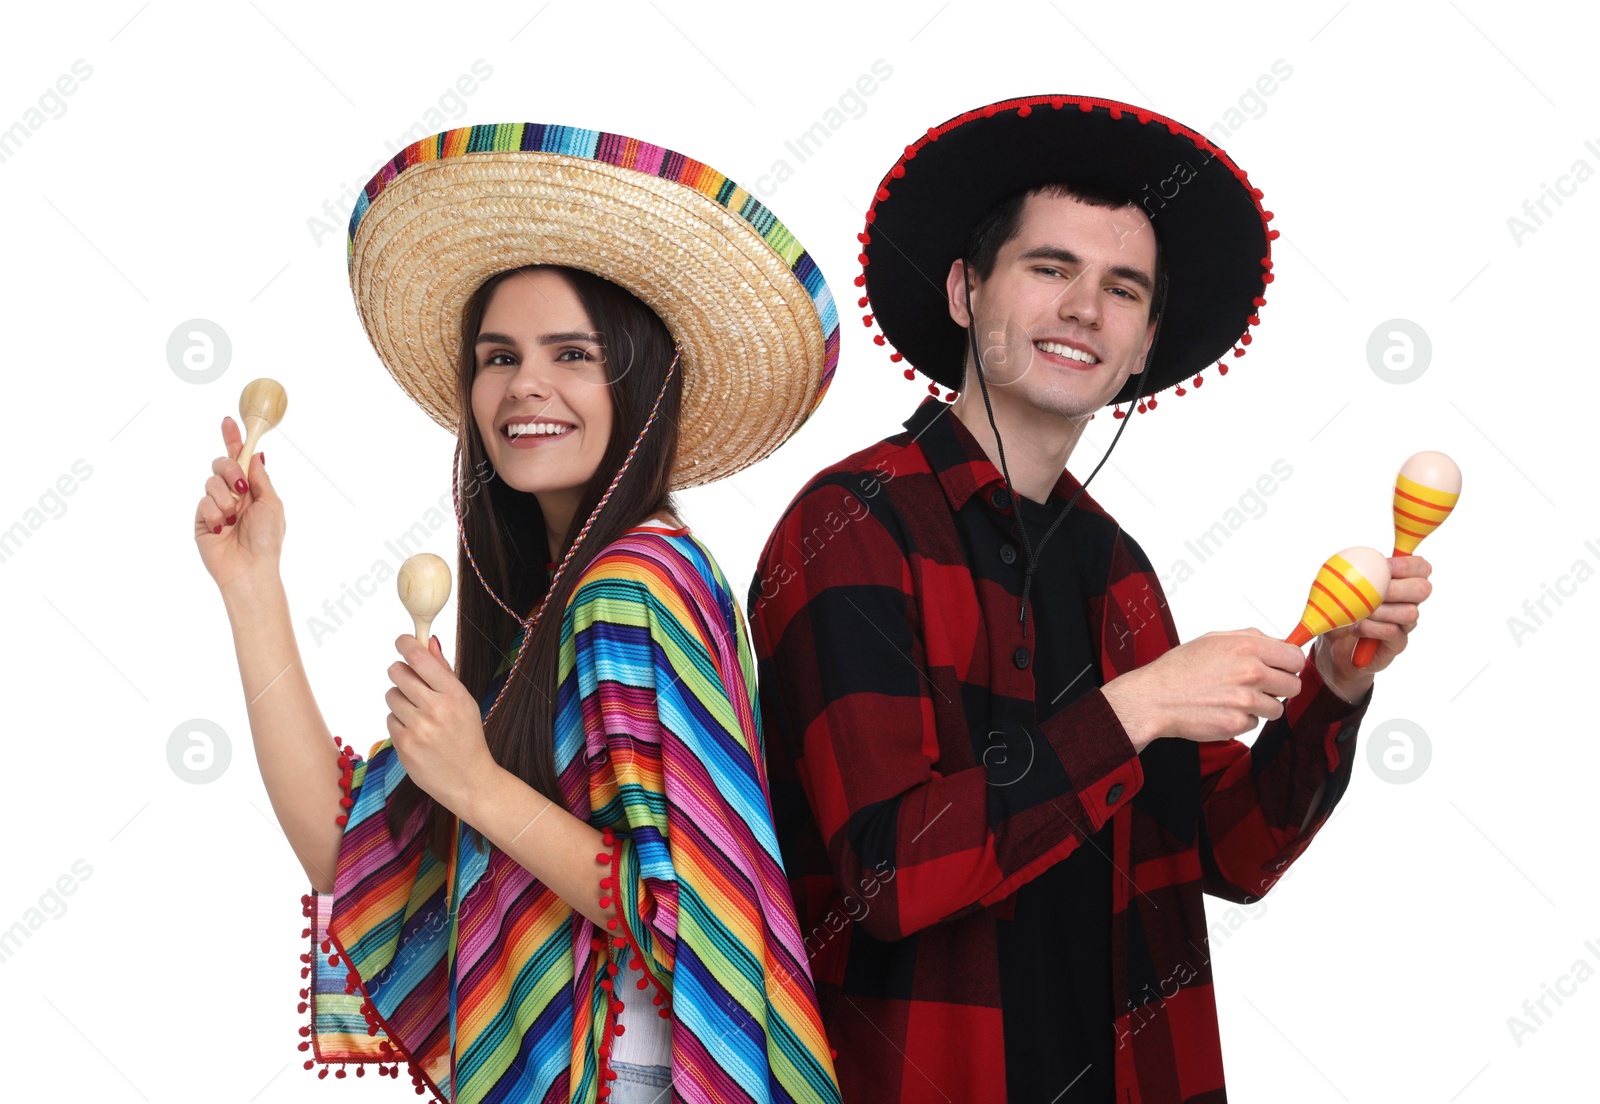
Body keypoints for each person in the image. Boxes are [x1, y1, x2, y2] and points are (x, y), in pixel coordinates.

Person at [745, 95, 1433, 1103]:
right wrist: (1140, 706)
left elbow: (1228, 853)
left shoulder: (1118, 572)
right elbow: (889, 879)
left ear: (1145, 341)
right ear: (963, 291)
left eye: (1121, 289)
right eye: (1049, 268)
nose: (1082, 309)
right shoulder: (850, 527)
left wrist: (1333, 686)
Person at [195, 122, 843, 1104]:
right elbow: (346, 846)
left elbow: (678, 908)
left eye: (571, 353)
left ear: (641, 382)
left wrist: (479, 786)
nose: (523, 385)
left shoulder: (633, 586)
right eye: (497, 356)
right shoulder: (557, 607)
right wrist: (254, 586)